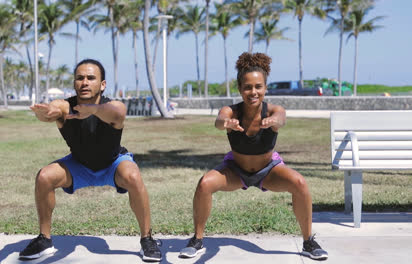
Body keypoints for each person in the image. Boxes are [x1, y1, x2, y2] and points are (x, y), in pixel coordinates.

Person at [179, 52, 328, 260]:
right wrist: (226, 124)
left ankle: (308, 241)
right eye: (248, 87)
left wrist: (275, 120)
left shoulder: (273, 111)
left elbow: (282, 118)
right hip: (236, 170)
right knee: (205, 183)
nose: (253, 92)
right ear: (240, 89)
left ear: (265, 88)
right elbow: (219, 120)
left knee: (300, 183)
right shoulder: (231, 112)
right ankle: (197, 239)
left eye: (258, 87)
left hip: (268, 171)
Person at [19, 59, 162, 262]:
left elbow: (119, 112)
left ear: (102, 85)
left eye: (90, 78)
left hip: (113, 164)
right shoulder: (67, 107)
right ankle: (44, 240)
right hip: (79, 166)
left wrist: (92, 110)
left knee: (133, 175)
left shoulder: (112, 107)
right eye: (80, 78)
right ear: (75, 83)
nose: (84, 82)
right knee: (44, 176)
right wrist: (49, 112)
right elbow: (55, 108)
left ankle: (147, 239)